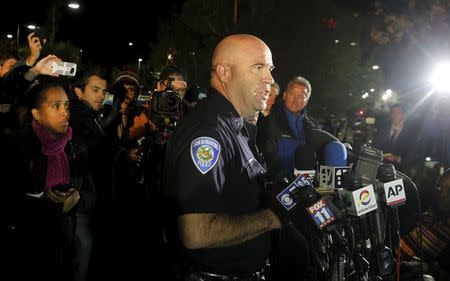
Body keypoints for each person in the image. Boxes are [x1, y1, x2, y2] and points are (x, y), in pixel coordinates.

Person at [163, 34, 280, 280]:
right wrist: (271, 218)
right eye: (258, 67)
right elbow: (196, 233)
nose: (269, 79)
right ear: (224, 73)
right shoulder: (210, 133)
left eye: (269, 69)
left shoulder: (232, 124)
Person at [1, 79, 96, 281]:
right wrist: (52, 207)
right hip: (27, 248)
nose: (65, 112)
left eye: (67, 106)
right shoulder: (16, 147)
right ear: (36, 113)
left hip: (66, 246)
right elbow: (9, 203)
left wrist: (76, 199)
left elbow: (93, 195)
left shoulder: (77, 147)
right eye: (56, 106)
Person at [257, 76, 319, 179]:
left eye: (301, 96)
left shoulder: (313, 126)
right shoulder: (269, 121)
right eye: (292, 94)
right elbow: (265, 156)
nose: (296, 99)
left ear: (307, 100)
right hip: (277, 185)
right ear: (285, 95)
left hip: (307, 185)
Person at [400, 169, 450, 281]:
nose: (442, 194)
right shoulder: (425, 215)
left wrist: (430, 269)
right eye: (439, 188)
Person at [373, 103, 413, 173]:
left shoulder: (410, 134)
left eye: (398, 113)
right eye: (393, 113)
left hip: (398, 171)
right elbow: (375, 145)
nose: (395, 115)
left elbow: (411, 155)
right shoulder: (383, 129)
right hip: (379, 168)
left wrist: (397, 158)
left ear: (404, 115)